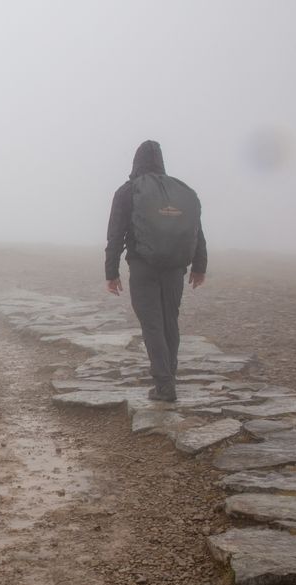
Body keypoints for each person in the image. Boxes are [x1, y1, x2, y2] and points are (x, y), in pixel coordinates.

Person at [104, 140, 207, 402]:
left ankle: (164, 385)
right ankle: (168, 376)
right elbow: (196, 231)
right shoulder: (179, 191)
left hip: (143, 267)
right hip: (175, 268)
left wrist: (111, 272)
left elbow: (115, 234)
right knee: (169, 322)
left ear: (136, 162)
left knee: (152, 324)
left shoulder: (128, 191)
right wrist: (199, 266)